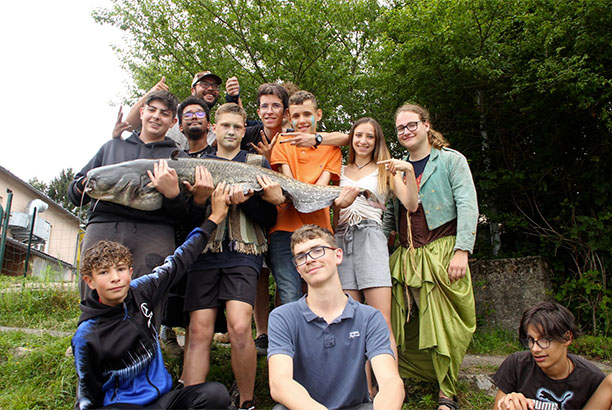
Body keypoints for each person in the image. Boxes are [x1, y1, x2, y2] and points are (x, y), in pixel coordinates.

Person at [71, 182, 232, 410]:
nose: (115, 278)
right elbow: (87, 395)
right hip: (122, 406)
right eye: (104, 273)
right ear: (90, 281)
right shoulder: (86, 335)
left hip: (161, 400)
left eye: (120, 269)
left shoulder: (142, 290)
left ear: (130, 271)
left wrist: (213, 219)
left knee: (215, 394)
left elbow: (180, 259)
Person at [181, 103, 284, 410]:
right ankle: (191, 401)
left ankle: (247, 401)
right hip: (205, 253)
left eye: (237, 127)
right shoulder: (197, 164)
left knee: (240, 326)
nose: (231, 131)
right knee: (199, 328)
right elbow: (186, 218)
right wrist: (200, 200)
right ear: (214, 128)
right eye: (225, 125)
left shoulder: (257, 162)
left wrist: (247, 202)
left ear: (244, 130)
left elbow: (269, 217)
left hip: (243, 253)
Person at [67, 91, 207, 309]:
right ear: (142, 112)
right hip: (103, 226)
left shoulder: (181, 159)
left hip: (155, 231)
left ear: (173, 121)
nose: (156, 117)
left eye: (164, 113)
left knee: (148, 299)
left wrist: (173, 196)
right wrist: (81, 186)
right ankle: (90, 340)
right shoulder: (112, 147)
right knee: (95, 294)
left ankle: (143, 343)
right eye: (152, 110)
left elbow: (188, 219)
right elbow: (75, 194)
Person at [381, 103, 478, 410]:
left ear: (425, 125)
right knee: (403, 322)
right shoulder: (396, 168)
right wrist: (382, 248)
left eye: (411, 125)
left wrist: (462, 251)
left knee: (445, 323)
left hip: (442, 250)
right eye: (400, 128)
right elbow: (389, 216)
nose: (406, 132)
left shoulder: (451, 160)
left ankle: (447, 393)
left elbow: (468, 205)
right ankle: (401, 380)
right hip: (407, 257)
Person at [267, 224, 405, 410]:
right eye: (301, 256)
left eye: (317, 250)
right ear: (298, 269)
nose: (309, 259)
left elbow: (390, 382)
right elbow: (279, 383)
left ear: (338, 255)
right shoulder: (283, 317)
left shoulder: (369, 318)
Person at [269, 90, 357, 305]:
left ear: (318, 115)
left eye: (306, 114)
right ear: (289, 116)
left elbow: (318, 190)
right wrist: (300, 194)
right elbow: (291, 187)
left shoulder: (332, 147)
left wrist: (302, 194)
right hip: (284, 230)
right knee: (290, 294)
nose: (301, 121)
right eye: (296, 116)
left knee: (322, 293)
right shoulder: (281, 140)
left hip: (319, 229)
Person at [333, 117, 397, 359]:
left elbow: (410, 202)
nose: (363, 141)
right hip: (342, 237)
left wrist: (407, 172)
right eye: (358, 135)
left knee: (381, 320)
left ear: (377, 140)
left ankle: (389, 386)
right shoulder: (338, 170)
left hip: (371, 236)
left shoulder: (385, 170)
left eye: (370, 136)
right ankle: (363, 390)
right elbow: (335, 211)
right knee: (350, 321)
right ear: (351, 138)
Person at [493, 302, 605, 410]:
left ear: (567, 338)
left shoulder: (592, 380)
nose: (535, 348)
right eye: (531, 340)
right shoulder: (517, 365)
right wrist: (507, 404)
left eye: (544, 339)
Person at [124, 71, 242, 149]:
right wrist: (150, 95)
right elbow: (128, 125)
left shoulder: (214, 129)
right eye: (205, 85)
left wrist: (234, 97)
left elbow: (239, 127)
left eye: (215, 86)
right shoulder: (169, 112)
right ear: (192, 90)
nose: (211, 89)